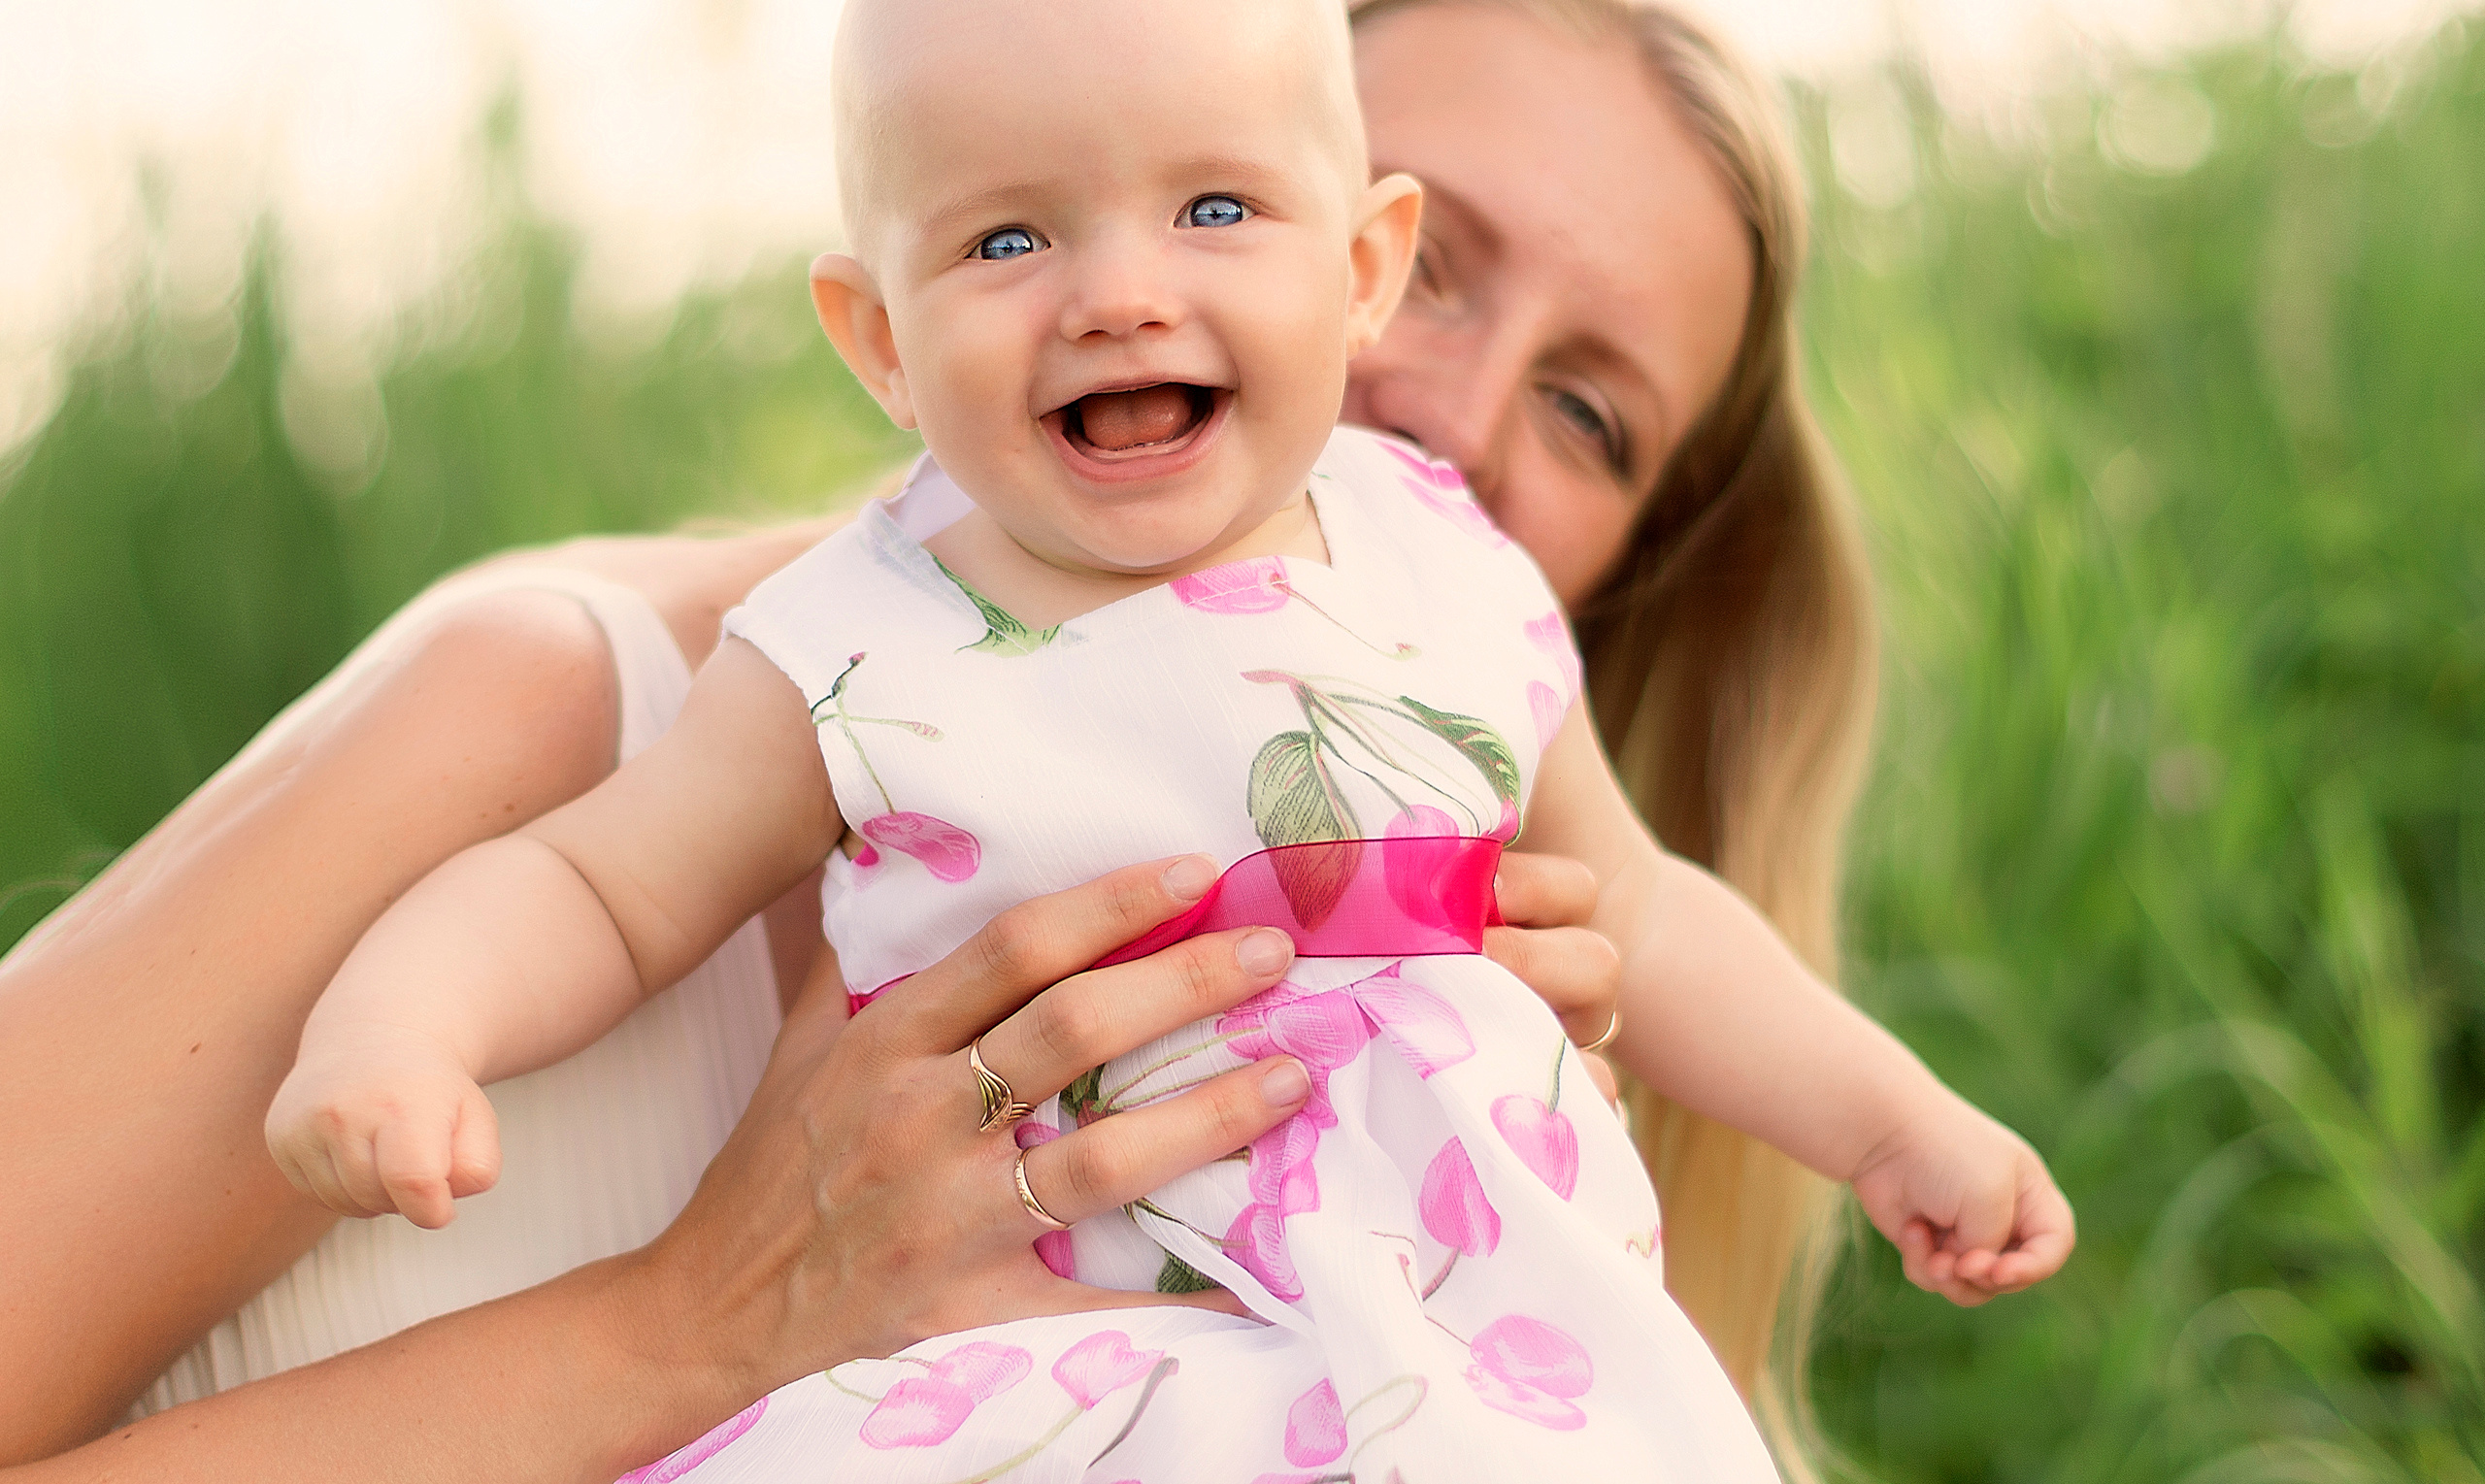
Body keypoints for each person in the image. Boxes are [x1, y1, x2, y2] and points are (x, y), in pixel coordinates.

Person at [0, 1, 2050, 1478]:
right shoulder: (655, 699)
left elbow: (1678, 925)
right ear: (888, 327)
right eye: (1026, 226)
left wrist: (1877, 1131)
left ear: (1355, 242)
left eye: (1591, 413)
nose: (1454, 418)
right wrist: (668, 1312)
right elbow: (581, 893)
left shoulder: (1453, 685)